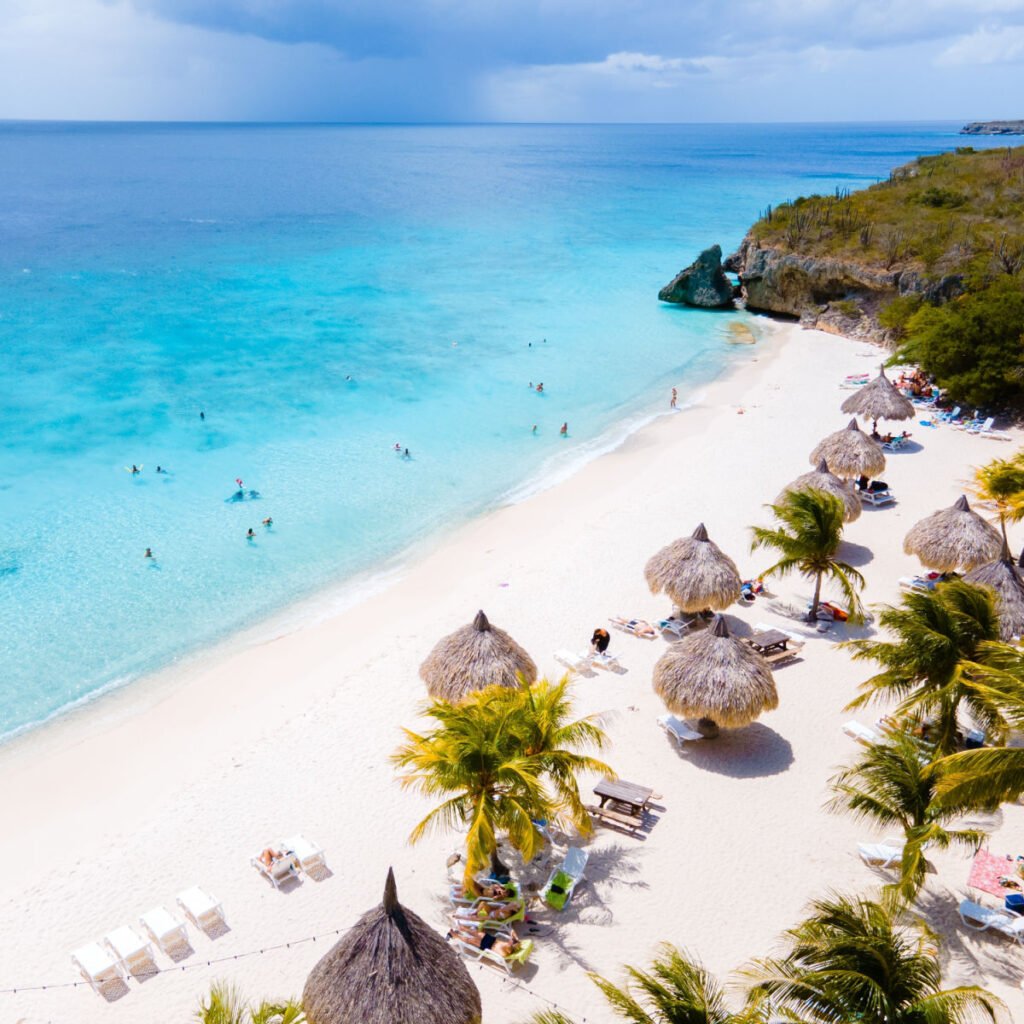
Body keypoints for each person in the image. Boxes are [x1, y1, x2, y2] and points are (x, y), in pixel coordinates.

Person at [448, 922, 521, 958]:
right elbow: (512, 931)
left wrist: (514, 943)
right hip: (492, 940)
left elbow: (502, 955)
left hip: (488, 946)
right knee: (476, 933)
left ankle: (455, 936)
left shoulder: (506, 951)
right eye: (512, 940)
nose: (511, 940)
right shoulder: (509, 944)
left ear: (513, 945)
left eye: (512, 941)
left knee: (470, 940)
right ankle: (462, 928)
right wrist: (516, 939)